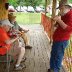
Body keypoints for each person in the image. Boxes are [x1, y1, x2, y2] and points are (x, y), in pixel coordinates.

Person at [48, 2, 72, 72]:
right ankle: (52, 68)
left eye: (61, 9)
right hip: (57, 38)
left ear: (67, 8)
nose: (60, 10)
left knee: (58, 56)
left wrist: (59, 20)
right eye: (60, 9)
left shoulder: (71, 15)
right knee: (53, 54)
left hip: (62, 40)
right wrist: (55, 22)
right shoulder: (63, 15)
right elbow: (58, 25)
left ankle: (56, 70)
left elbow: (69, 29)